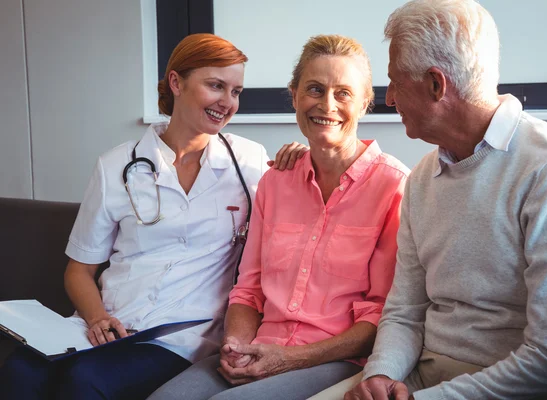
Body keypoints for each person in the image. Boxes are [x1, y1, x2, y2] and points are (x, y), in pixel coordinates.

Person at [0, 33, 307, 400]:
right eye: (216, 86)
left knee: (84, 381)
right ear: (176, 82)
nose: (227, 102)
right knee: (19, 371)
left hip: (180, 338)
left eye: (236, 91)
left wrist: (302, 154)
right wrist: (97, 318)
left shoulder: (250, 161)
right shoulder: (116, 165)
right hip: (104, 327)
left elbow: (306, 205)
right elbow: (79, 271)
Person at [328, 1, 547, 399]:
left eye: (396, 83)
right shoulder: (422, 177)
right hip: (426, 371)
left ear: (437, 85)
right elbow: (405, 310)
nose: (389, 100)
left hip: (524, 386)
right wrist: (381, 374)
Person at [148, 34, 410, 400]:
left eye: (344, 93)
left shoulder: (394, 186)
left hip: (335, 361)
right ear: (295, 95)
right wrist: (236, 344)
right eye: (315, 89)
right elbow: (249, 288)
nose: (327, 105)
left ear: (366, 103)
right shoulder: (275, 182)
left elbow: (383, 313)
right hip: (261, 348)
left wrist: (290, 358)